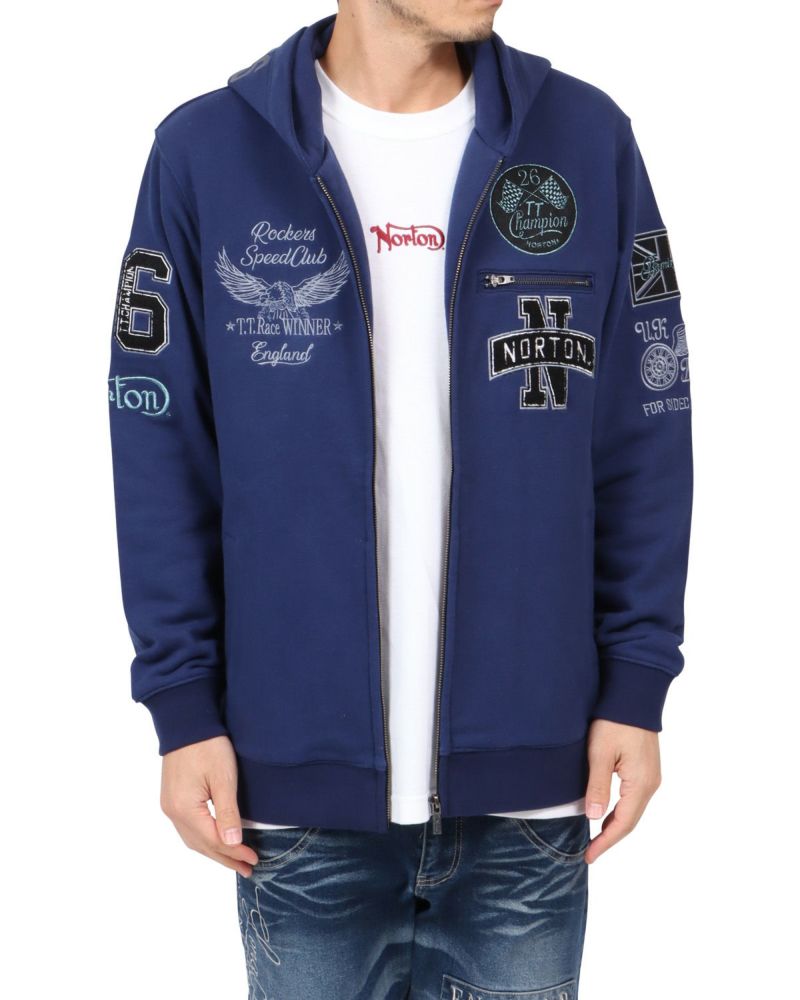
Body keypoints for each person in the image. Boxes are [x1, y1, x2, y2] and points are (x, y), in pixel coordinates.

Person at [107, 2, 693, 997]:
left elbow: (644, 432)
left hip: (532, 792)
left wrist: (636, 683)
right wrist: (182, 704)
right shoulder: (206, 152)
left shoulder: (587, 139)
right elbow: (161, 450)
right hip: (290, 794)